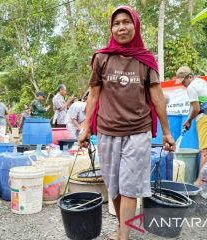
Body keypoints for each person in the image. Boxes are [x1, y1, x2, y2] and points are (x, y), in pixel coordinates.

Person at [78, 6, 175, 240]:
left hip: (137, 131)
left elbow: (157, 96)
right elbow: (93, 94)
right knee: (114, 186)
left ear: (136, 25)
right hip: (107, 131)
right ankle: (124, 229)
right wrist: (85, 127)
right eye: (116, 23)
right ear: (111, 28)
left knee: (130, 186)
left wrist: (166, 132)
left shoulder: (146, 59)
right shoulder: (102, 58)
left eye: (126, 22)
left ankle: (124, 236)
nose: (121, 27)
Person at [175, 66, 207, 186]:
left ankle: (200, 181)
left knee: (204, 151)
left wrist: (188, 120)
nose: (183, 84)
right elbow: (200, 102)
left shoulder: (191, 87)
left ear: (190, 77)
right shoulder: (200, 82)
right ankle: (205, 180)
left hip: (206, 117)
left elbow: (196, 108)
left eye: (184, 81)